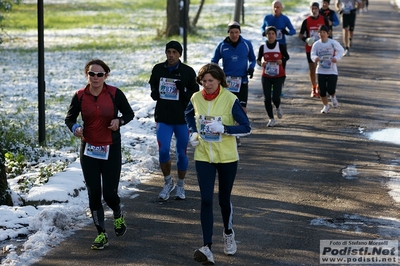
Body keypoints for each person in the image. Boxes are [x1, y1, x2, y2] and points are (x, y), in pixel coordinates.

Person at [185, 63, 251, 265]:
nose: (207, 85)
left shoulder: (230, 99)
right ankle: (207, 247)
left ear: (219, 81)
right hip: (204, 155)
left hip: (227, 158)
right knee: (205, 200)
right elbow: (188, 115)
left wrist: (224, 128)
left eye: (210, 81)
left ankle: (228, 232)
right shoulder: (196, 98)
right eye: (203, 81)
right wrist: (192, 132)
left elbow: (246, 127)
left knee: (223, 200)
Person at [65, 59, 135, 250]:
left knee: (110, 194)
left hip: (110, 148)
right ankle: (101, 234)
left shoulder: (114, 94)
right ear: (86, 75)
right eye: (91, 74)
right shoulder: (80, 95)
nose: (95, 78)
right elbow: (69, 118)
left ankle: (118, 214)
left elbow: (129, 113)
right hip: (89, 149)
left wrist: (119, 121)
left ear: (106, 75)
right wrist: (75, 127)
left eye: (99, 74)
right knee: (94, 193)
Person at [149, 40, 199, 201]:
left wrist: (183, 90)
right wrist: (155, 92)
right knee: (163, 151)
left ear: (179, 55)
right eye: (169, 52)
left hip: (182, 118)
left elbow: (196, 93)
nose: (171, 55)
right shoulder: (158, 69)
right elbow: (153, 87)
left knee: (181, 154)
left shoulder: (188, 71)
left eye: (174, 52)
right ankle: (168, 181)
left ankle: (181, 185)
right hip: (163, 117)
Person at [211, 21, 256, 146]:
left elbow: (253, 59)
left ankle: (236, 133)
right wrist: (216, 74)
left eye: (236, 32)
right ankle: (228, 130)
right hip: (227, 82)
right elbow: (214, 61)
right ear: (228, 33)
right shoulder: (222, 45)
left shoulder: (246, 44)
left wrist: (251, 68)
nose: (234, 35)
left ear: (240, 32)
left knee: (242, 109)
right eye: (232, 32)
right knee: (227, 108)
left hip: (242, 81)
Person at [257, 26, 289, 127]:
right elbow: (258, 60)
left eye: (272, 34)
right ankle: (271, 118)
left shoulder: (279, 46)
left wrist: (281, 61)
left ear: (275, 35)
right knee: (267, 98)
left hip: (278, 75)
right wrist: (261, 63)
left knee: (275, 97)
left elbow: (287, 56)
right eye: (269, 34)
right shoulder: (263, 47)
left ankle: (278, 106)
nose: (271, 36)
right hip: (266, 75)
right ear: (266, 35)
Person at [298, 2, 330, 97]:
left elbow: (330, 33)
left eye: (316, 8)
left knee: (321, 68)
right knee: (312, 68)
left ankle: (320, 87)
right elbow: (300, 35)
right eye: (312, 8)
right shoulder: (306, 21)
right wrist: (306, 39)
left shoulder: (324, 20)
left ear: (318, 9)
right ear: (310, 9)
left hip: (322, 48)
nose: (314, 10)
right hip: (310, 48)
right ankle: (313, 87)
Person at [311, 25, 344, 113]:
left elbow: (341, 50)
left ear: (328, 33)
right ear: (318, 34)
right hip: (321, 70)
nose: (322, 34)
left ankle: (333, 97)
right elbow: (312, 54)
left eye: (324, 32)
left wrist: (336, 58)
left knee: (331, 89)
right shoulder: (316, 44)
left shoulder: (332, 43)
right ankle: (326, 106)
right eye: (320, 32)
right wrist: (315, 58)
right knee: (322, 91)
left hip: (332, 70)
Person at [260, 0, 296, 71]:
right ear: (272, 8)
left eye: (278, 7)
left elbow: (293, 31)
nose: (276, 9)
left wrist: (287, 32)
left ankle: (281, 80)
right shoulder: (267, 18)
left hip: (281, 45)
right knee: (268, 64)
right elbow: (262, 27)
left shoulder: (285, 19)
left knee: (281, 65)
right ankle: (268, 79)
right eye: (274, 7)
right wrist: (263, 32)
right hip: (269, 44)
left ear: (281, 8)